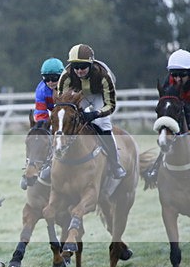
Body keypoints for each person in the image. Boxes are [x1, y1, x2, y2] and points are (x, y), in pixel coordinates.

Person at [56, 43, 126, 179]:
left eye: (83, 67)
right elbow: (62, 104)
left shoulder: (104, 75)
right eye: (75, 67)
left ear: (91, 65)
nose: (79, 71)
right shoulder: (65, 76)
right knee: (65, 123)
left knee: (104, 125)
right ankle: (53, 160)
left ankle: (115, 163)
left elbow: (110, 104)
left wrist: (96, 114)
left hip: (99, 96)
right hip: (77, 94)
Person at [143, 48, 190, 184]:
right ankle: (157, 167)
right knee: (168, 137)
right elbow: (165, 102)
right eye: (174, 74)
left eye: (182, 75)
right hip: (179, 113)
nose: (177, 79)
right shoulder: (168, 81)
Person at [34, 57, 64, 125]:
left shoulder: (69, 86)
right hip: (55, 112)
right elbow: (41, 113)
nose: (50, 82)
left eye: (54, 78)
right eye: (46, 78)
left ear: (62, 76)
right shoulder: (41, 90)